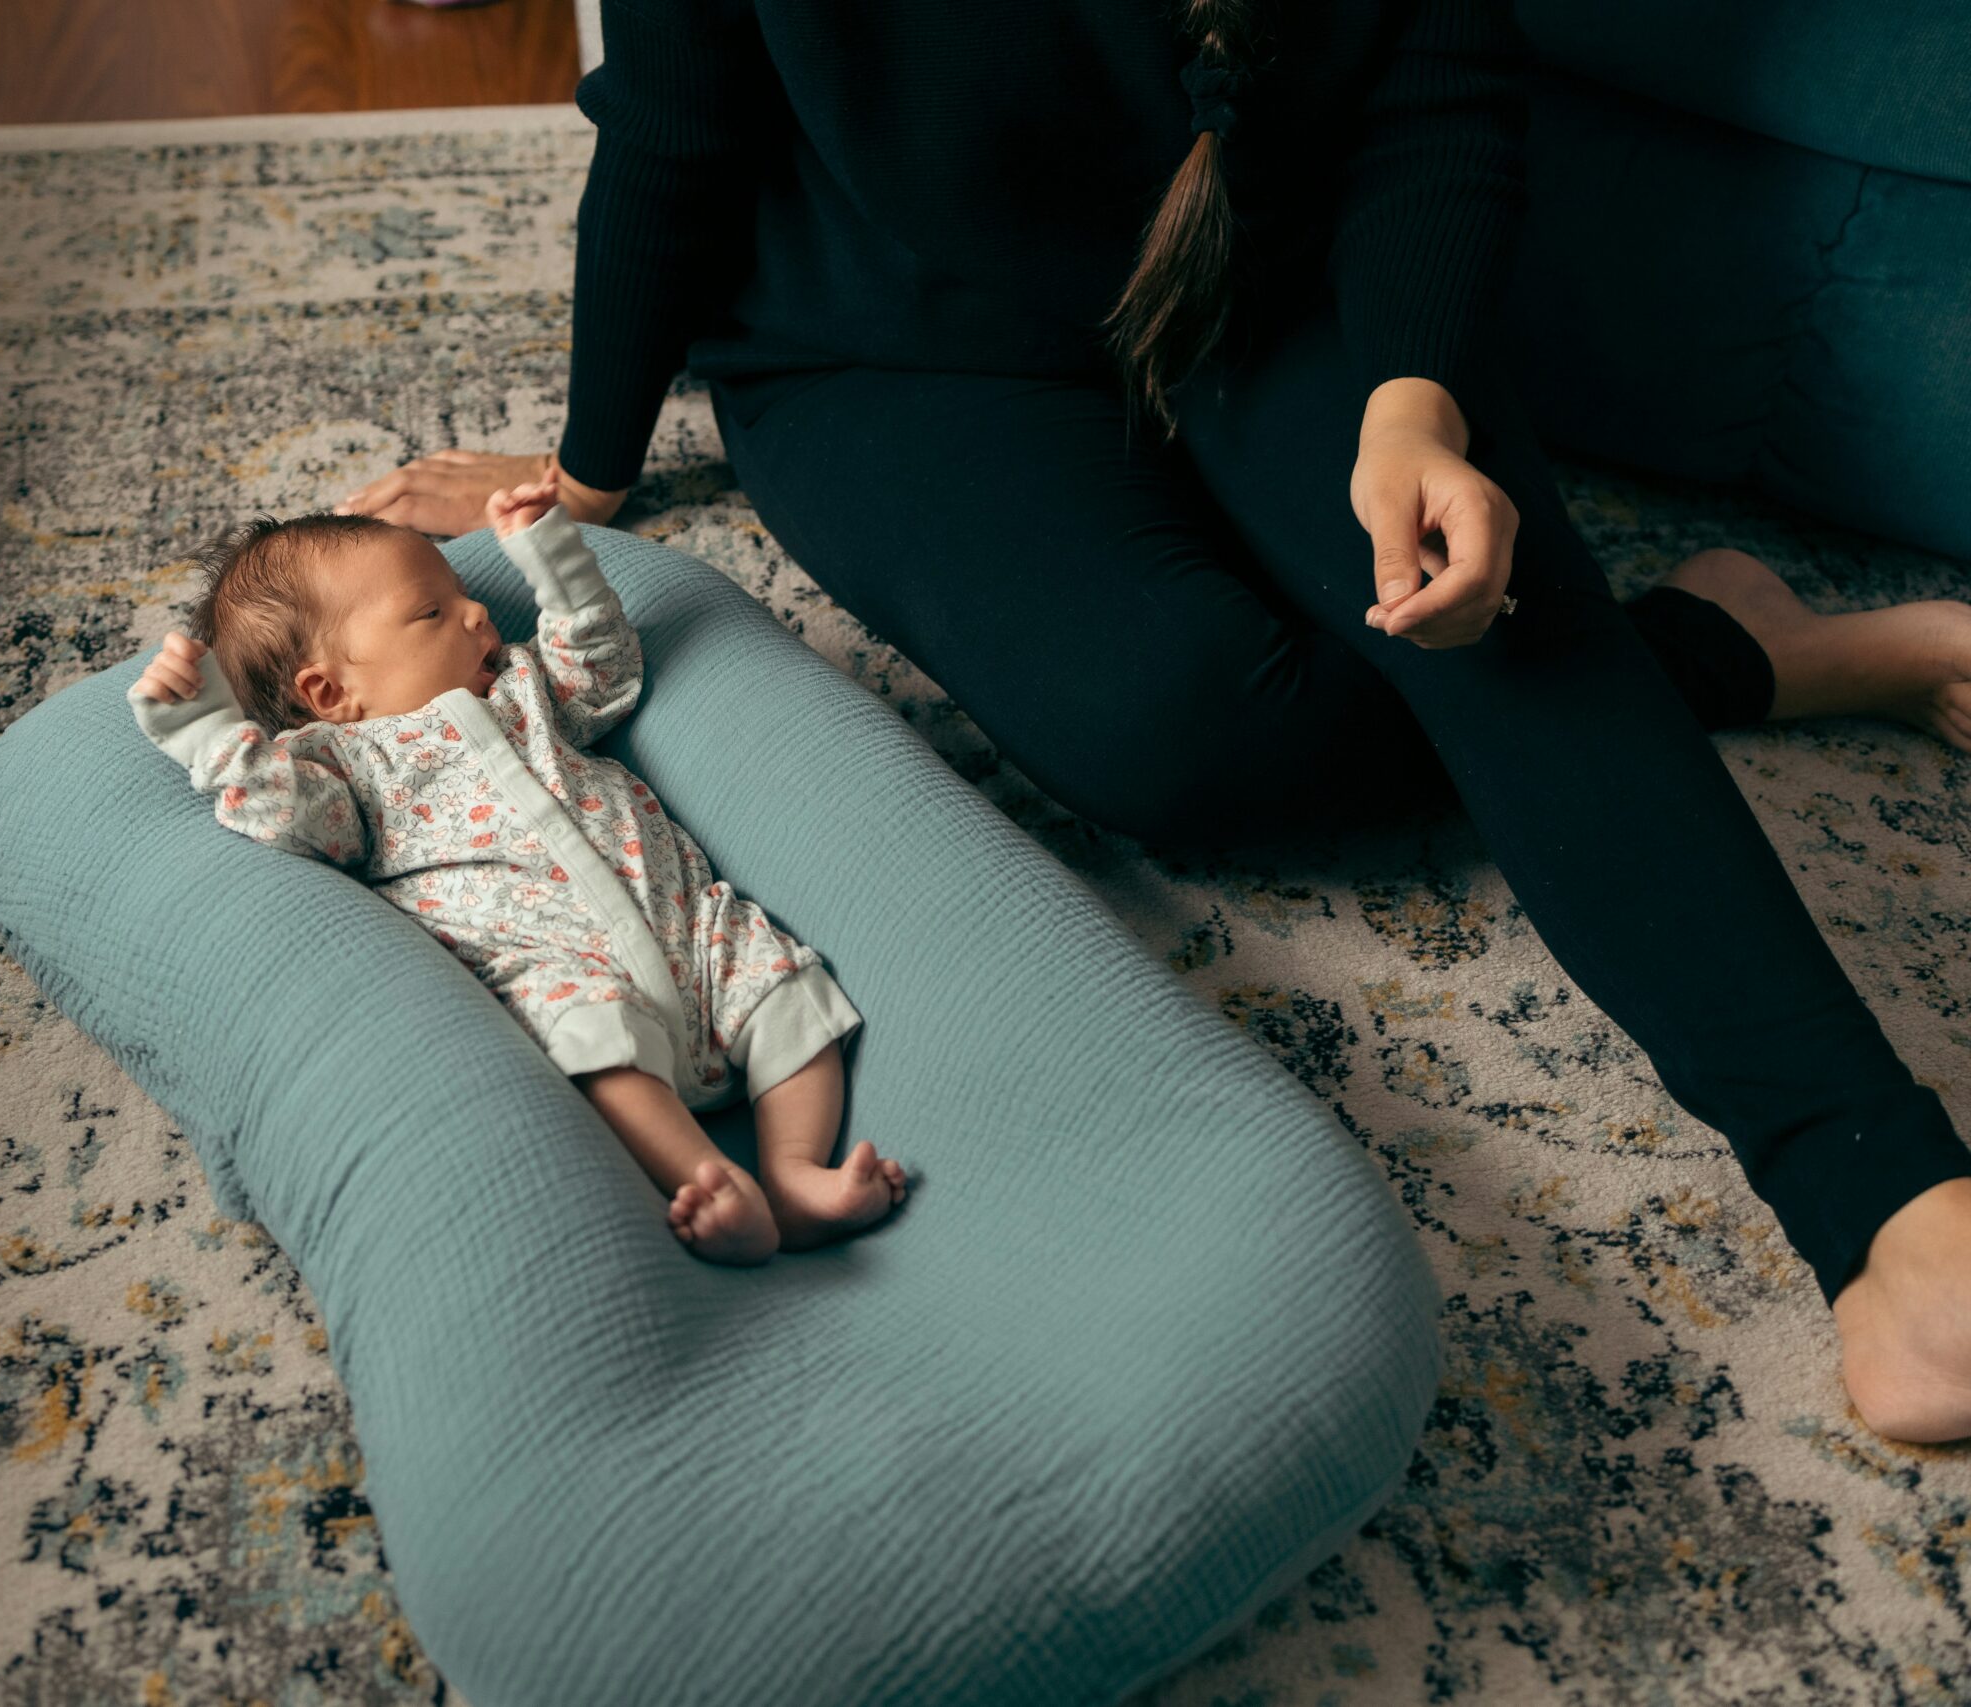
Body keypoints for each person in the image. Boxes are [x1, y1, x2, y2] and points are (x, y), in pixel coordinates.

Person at [330, 0, 1971, 1440]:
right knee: (1189, 739)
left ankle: (1890, 1201)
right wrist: (591, 465)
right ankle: (1718, 648)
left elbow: (1437, 79)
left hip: (1277, 270)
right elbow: (678, 118)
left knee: (1475, 608)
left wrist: (1418, 402)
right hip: (892, 337)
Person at [126, 479, 904, 1265]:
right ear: (331, 692)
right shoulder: (340, 765)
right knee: (592, 1044)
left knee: (784, 981)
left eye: (463, 594)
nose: (474, 614)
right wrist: (209, 735)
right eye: (431, 612)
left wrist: (555, 558)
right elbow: (289, 820)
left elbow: (604, 672)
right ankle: (710, 1179)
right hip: (558, 965)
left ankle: (794, 1172)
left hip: (688, 925)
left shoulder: (525, 689)